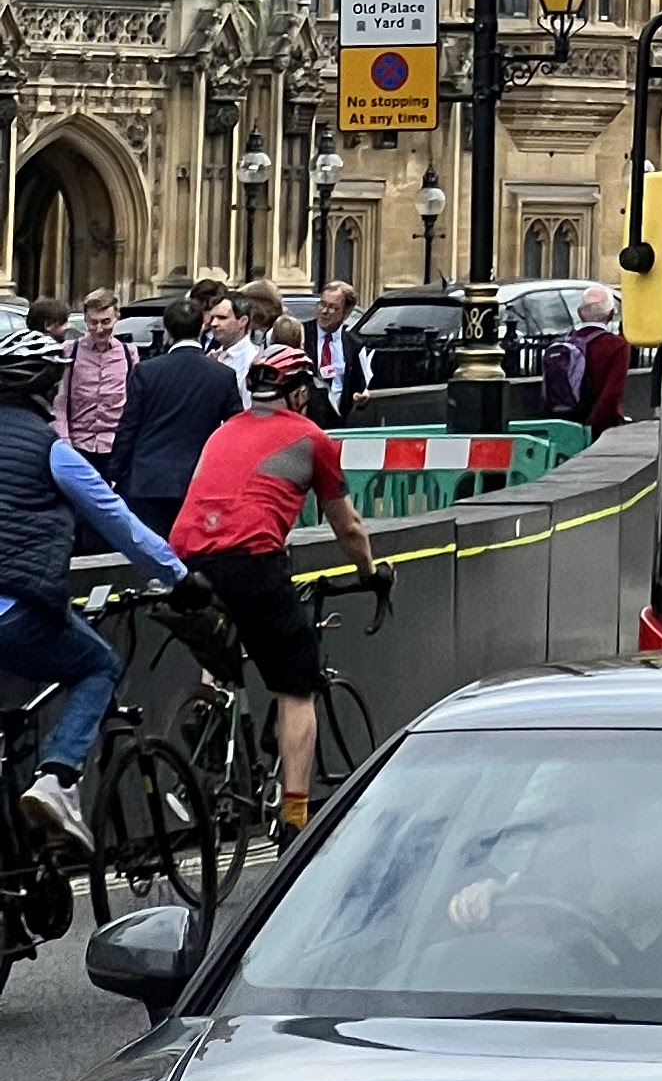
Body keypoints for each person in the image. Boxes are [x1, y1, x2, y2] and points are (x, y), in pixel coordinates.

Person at [172, 346, 381, 840]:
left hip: (186, 558)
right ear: (300, 393)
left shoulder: (222, 432)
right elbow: (348, 527)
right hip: (252, 559)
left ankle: (211, 711)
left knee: (222, 642)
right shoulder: (312, 438)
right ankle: (294, 818)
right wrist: (371, 572)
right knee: (295, 685)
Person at [0, 323, 193, 856]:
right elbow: (118, 522)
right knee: (98, 666)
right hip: (16, 607)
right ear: (47, 388)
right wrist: (179, 577)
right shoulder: (51, 451)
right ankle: (58, 778)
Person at [111, 291, 244, 527]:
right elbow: (236, 430)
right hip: (197, 479)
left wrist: (114, 473)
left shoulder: (147, 371)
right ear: (202, 328)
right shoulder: (223, 375)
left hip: (147, 480)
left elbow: (128, 427)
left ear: (167, 331)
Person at [54, 291, 132, 475]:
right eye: (93, 322)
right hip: (79, 446)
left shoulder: (129, 354)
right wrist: (64, 443)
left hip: (115, 448)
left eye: (106, 322)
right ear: (85, 320)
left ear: (116, 318)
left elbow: (134, 404)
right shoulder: (69, 352)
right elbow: (60, 401)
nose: (99, 329)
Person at [567, 285, 630, 437]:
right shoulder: (616, 345)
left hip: (563, 420)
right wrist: (593, 424)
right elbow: (612, 391)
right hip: (599, 425)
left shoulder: (565, 342)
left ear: (580, 313)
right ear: (611, 314)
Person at [308, 278, 359, 416]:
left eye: (332, 307)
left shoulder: (353, 344)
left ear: (346, 312)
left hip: (341, 417)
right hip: (309, 416)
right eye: (322, 304)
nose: (324, 311)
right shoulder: (302, 335)